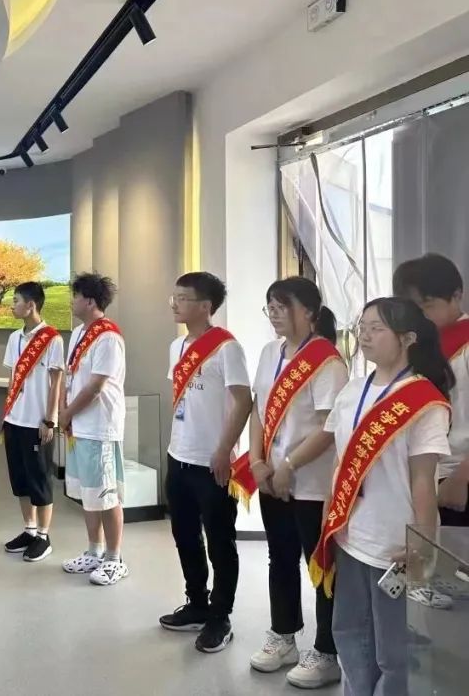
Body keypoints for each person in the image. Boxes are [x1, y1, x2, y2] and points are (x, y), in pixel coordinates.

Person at [307, 298, 452, 696]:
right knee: (348, 629)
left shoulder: (423, 401)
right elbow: (340, 460)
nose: (364, 336)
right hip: (350, 533)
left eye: (376, 328)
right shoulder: (353, 390)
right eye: (362, 327)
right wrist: (329, 510)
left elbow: (423, 479)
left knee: (392, 647)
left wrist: (422, 543)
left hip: (394, 543)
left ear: (407, 339)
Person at [245, 278, 348, 689]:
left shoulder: (327, 362)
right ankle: (283, 635)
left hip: (311, 484)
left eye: (282, 306)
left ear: (309, 311)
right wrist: (256, 461)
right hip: (271, 478)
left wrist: (289, 464)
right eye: (269, 306)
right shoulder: (269, 352)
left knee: (320, 567)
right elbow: (258, 410)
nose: (274, 314)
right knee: (280, 557)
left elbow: (329, 427)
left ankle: (327, 652)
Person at [159, 272, 252, 654]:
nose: (175, 304)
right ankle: (197, 602)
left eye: (183, 298)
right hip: (178, 455)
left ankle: (220, 616)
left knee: (220, 542)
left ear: (205, 306)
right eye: (175, 297)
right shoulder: (177, 346)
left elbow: (244, 401)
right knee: (185, 535)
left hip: (213, 462)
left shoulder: (227, 348)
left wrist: (224, 449)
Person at [59, 273, 129, 584]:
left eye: (75, 296)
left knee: (106, 494)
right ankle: (93, 551)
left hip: (100, 426)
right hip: (79, 426)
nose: (71, 302)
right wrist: (65, 411)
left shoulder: (108, 337)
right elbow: (71, 377)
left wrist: (67, 413)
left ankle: (114, 558)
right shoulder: (78, 333)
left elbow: (96, 386)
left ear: (89, 301)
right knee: (88, 493)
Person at [393, 254, 469, 526]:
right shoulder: (413, 348)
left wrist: (462, 477)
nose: (420, 316)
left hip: (456, 476)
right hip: (417, 475)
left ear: (456, 296)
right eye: (414, 308)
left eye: (428, 306)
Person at [1, 282, 65, 563]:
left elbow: (56, 382)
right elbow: (12, 378)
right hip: (14, 418)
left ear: (31, 305)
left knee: (39, 479)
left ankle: (43, 535)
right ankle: (29, 529)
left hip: (37, 422)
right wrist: (6, 413)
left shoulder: (52, 339)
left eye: (16, 300)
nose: (12, 305)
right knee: (20, 479)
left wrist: (50, 420)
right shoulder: (14, 338)